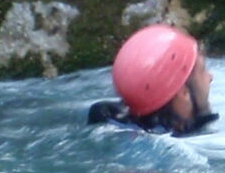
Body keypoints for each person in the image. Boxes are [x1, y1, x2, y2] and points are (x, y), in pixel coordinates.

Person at [88, 24, 216, 136]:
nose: (210, 77)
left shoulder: (115, 125)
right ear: (184, 93)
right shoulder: (196, 149)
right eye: (203, 70)